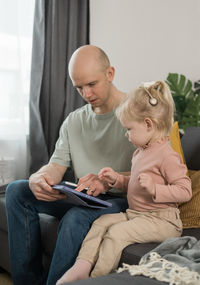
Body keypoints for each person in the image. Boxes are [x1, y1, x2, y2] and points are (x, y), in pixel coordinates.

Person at [5, 45, 135, 285]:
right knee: (16, 191)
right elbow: (56, 166)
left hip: (121, 198)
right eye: (79, 87)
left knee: (76, 216)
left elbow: (151, 172)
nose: (86, 93)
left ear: (110, 73)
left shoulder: (136, 113)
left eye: (92, 84)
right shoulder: (74, 121)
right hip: (83, 195)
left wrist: (106, 178)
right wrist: (39, 177)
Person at [56, 80, 192, 284]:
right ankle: (81, 267)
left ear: (148, 124)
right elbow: (135, 185)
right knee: (101, 222)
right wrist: (117, 180)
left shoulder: (167, 156)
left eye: (129, 129)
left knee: (117, 233)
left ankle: (96, 278)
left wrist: (156, 189)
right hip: (137, 214)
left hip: (163, 221)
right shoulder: (140, 152)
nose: (126, 135)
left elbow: (185, 191)